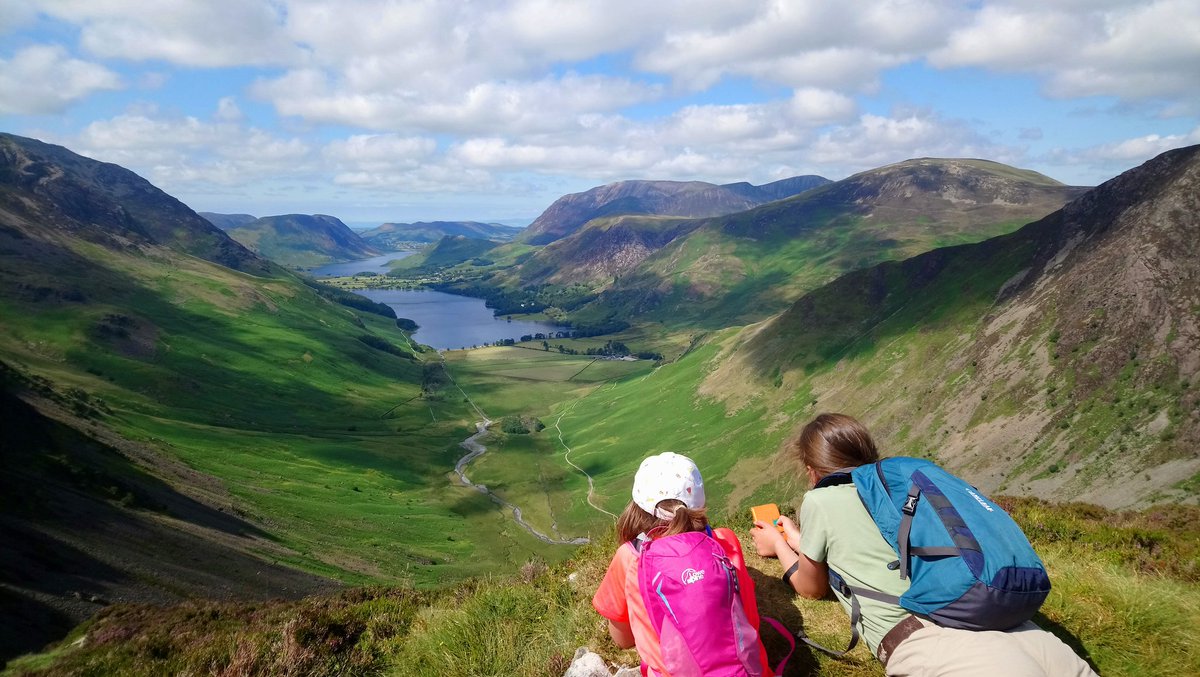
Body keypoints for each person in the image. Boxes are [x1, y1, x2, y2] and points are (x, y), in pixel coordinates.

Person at [749, 413, 1097, 677]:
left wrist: (778, 547)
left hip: (929, 640)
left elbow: (811, 588)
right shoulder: (893, 486)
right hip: (995, 615)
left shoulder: (820, 502)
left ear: (812, 470)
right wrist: (799, 539)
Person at [593, 451, 775, 676]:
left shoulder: (629, 557)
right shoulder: (726, 541)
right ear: (699, 503)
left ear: (636, 507)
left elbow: (622, 640)